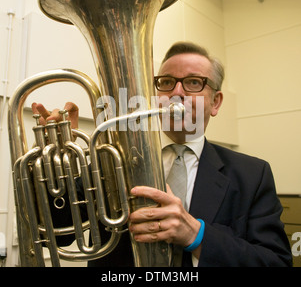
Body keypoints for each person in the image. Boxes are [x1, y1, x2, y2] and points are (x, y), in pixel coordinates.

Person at [32, 41, 292, 267]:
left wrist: (196, 235)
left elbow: (275, 261)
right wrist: (52, 160)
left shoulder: (252, 174)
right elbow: (57, 233)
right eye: (166, 82)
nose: (176, 93)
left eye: (193, 82)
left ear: (215, 102)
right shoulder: (111, 160)